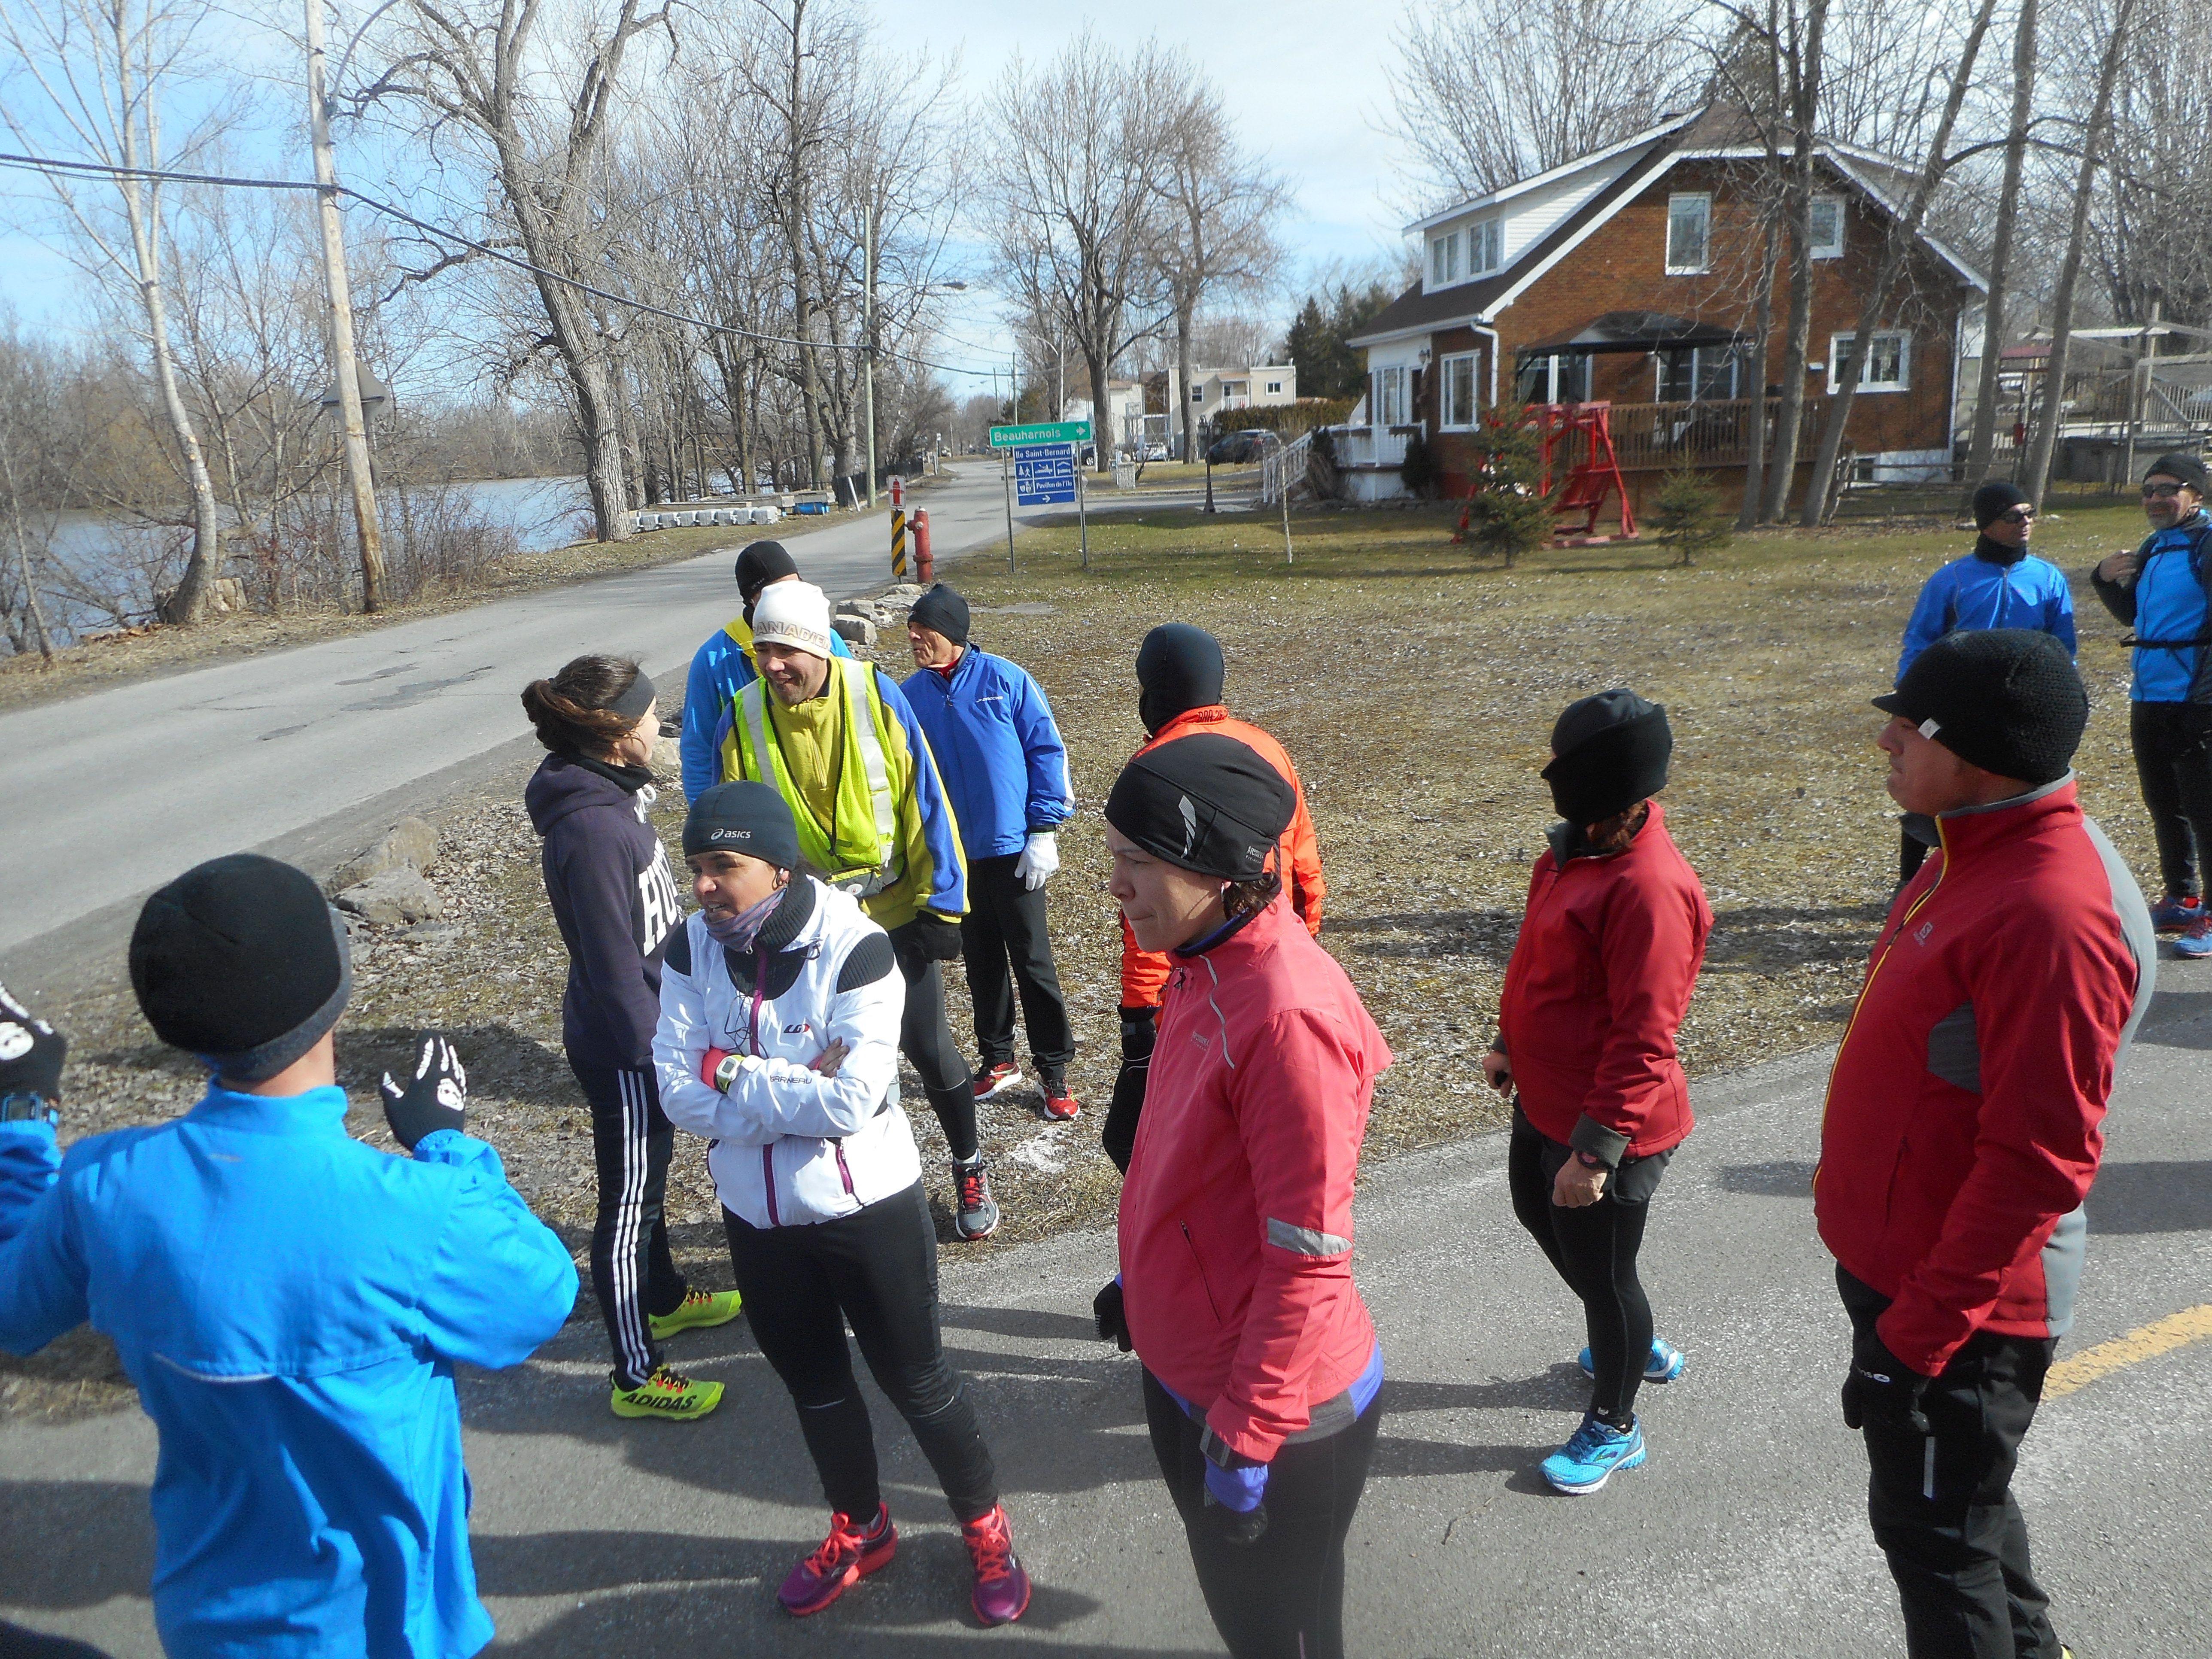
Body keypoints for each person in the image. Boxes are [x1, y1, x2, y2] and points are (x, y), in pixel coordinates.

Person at [0, 857, 577, 1659]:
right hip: (389, 1627)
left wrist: (22, 1114)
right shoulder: (417, 1212)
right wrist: (448, 1143)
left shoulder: (102, 1184)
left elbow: (16, 1308)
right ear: (336, 987)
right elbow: (542, 1295)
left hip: (209, 1614)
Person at [1820, 628, 2153, 1659]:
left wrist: (1913, 1343)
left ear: (1981, 757)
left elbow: (2036, 1160)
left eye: (1908, 726)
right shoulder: (1969, 844)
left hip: (1963, 1312)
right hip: (1911, 1271)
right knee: (1967, 1519)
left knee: (1938, 1545)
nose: (1884, 740)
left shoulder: (2050, 910)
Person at [654, 782, 1031, 1626]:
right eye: (696, 865)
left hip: (867, 1209)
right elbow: (675, 1088)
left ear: (778, 866)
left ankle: (985, 1527)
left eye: (723, 865)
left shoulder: (856, 947)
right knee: (816, 1388)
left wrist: (726, 1069)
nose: (704, 885)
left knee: (919, 1382)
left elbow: (852, 1102)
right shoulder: (690, 947)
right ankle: (862, 1527)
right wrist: (782, 1086)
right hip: (758, 1218)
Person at [1094, 733, 1390, 1659]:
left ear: (1219, 869)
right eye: (1112, 856)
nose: (1115, 885)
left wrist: (1251, 1433)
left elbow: (1308, 1255)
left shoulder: (1287, 1019)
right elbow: (1184, 1167)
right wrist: (1141, 1282)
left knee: (1280, 1638)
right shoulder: (1203, 959)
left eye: (1137, 861)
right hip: (1190, 1376)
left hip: (1273, 1419)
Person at [712, 579, 997, 1238]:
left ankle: (969, 1163)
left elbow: (925, 801)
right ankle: (855, 1192)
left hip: (894, 914)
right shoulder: (742, 717)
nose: (773, 665)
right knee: (827, 1062)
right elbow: (733, 830)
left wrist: (943, 908)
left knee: (927, 1047)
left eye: (786, 650)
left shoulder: (876, 696)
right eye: (762, 651)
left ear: (818, 646)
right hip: (803, 923)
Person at [1482, 689, 1712, 1495]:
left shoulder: (1649, 890)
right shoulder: (1570, 853)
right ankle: (1627, 1339)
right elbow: (1534, 959)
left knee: (1608, 1277)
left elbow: (1646, 1035)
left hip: (1610, 1125)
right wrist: (1509, 1040)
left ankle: (1616, 1423)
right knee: (1535, 1211)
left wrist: (1595, 1152)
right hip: (1545, 1097)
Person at [524, 654, 741, 1422]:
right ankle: (635, 1371)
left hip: (650, 1027)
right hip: (625, 1048)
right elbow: (615, 966)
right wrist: (657, 1058)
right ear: (617, 732)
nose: (659, 723)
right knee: (628, 1203)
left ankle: (665, 1297)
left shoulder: (615, 795)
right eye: (651, 714)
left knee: (650, 1184)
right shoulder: (590, 828)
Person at [1100, 624, 1328, 1174]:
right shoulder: (1265, 747)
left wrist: (1139, 1011)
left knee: (1138, 1143)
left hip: (1200, 977)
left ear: (1154, 688)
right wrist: (1304, 952)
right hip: (1272, 956)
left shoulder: (1161, 765)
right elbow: (1303, 865)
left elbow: (1151, 905)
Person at [899, 583, 1080, 1119]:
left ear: (951, 633)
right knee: (980, 959)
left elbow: (1046, 751)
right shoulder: (909, 696)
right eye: (911, 630)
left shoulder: (1006, 680)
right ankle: (998, 1058)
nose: (913, 638)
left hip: (1014, 849)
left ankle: (1054, 1069)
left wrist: (1043, 830)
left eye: (923, 630)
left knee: (1032, 960)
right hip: (955, 854)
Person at [1894, 481, 2078, 883]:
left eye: (2029, 513)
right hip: (1958, 698)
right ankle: (1909, 881)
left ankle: (2009, 873)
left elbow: (2063, 647)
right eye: (2013, 516)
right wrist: (1909, 699)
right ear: (1987, 525)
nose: (2025, 522)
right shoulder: (1952, 579)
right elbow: (1920, 641)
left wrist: (2064, 697)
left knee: (2014, 787)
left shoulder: (2048, 578)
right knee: (1933, 783)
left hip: (2017, 702)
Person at [2090, 450, 2212, 954]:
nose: (2155, 499)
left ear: (2195, 495)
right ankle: (2182, 897)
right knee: (2163, 802)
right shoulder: (2155, 546)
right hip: (2149, 692)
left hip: (2198, 698)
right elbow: (2132, 616)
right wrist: (2102, 579)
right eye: (2149, 491)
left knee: (2204, 807)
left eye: (2168, 490)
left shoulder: (2206, 543)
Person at [680, 539, 854, 803]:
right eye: (777, 592)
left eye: (796, 587)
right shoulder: (714, 659)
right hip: (760, 809)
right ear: (753, 600)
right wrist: (705, 813)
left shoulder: (826, 638)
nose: (791, 600)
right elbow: (699, 748)